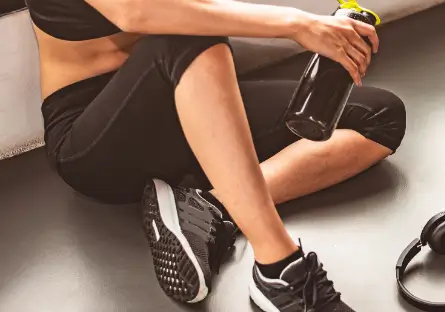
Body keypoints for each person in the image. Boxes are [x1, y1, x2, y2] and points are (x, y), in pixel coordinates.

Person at [24, 0, 406, 310]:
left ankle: (210, 209)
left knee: (379, 118)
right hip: (99, 143)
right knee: (184, 37)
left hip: (192, 106)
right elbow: (135, 11)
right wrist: (297, 24)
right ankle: (280, 271)